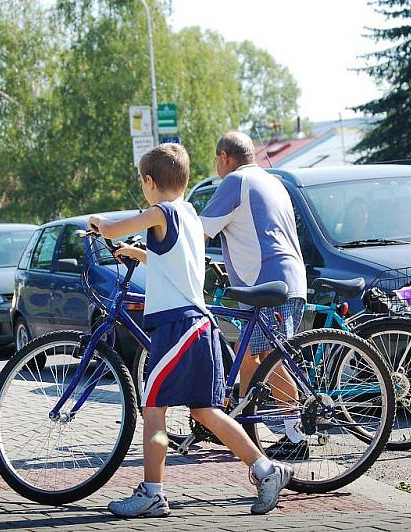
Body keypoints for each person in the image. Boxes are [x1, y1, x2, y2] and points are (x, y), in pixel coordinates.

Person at [88, 143, 292, 518]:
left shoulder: (160, 211)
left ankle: (152, 493)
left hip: (176, 326)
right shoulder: (189, 215)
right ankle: (267, 469)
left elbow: (115, 228)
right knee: (204, 411)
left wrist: (99, 224)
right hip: (200, 326)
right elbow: (171, 263)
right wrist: (136, 254)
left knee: (153, 408)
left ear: (149, 182)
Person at [199, 132, 308, 459]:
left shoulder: (234, 182)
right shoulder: (273, 181)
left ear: (224, 157)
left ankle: (296, 434)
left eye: (217, 161)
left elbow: (200, 233)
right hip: (285, 279)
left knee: (268, 360)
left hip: (269, 283)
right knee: (246, 352)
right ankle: (238, 426)